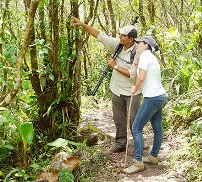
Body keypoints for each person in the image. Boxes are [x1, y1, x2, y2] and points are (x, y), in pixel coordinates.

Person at [71, 17, 142, 153]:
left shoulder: (138, 52)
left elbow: (133, 74)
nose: (119, 36)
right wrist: (82, 24)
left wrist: (115, 66)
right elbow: (100, 35)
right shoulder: (117, 44)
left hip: (132, 90)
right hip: (116, 89)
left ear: (131, 39)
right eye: (120, 34)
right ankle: (121, 144)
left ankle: (138, 145)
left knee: (134, 120)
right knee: (119, 118)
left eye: (123, 35)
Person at [123, 36, 168, 174]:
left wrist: (134, 89)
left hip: (152, 97)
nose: (137, 45)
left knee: (136, 127)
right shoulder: (151, 58)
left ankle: (138, 162)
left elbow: (141, 79)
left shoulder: (145, 57)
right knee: (157, 128)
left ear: (146, 45)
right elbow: (141, 76)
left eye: (139, 43)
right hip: (161, 96)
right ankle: (153, 156)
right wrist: (136, 64)